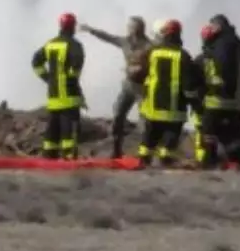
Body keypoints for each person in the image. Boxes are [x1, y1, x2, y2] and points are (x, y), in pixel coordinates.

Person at [129, 19, 205, 168]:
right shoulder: (183, 56)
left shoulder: (152, 52)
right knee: (171, 135)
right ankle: (165, 157)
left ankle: (144, 158)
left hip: (153, 104)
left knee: (150, 135)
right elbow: (189, 84)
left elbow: (139, 74)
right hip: (174, 107)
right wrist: (196, 104)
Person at [78, 16, 151, 158]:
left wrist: (143, 68)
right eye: (129, 26)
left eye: (132, 26)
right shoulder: (125, 42)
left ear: (140, 28)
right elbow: (108, 37)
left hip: (143, 88)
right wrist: (91, 30)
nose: (129, 29)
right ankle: (116, 149)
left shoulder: (149, 46)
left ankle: (145, 153)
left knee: (144, 120)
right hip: (128, 86)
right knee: (118, 113)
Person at [31, 12, 86, 160]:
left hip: (53, 96)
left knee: (52, 131)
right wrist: (78, 91)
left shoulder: (50, 44)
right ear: (73, 27)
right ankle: (68, 158)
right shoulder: (75, 46)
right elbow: (75, 71)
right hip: (69, 97)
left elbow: (36, 61)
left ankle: (49, 157)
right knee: (69, 132)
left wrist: (48, 78)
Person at [201, 14, 240, 168]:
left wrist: (207, 47)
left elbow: (218, 68)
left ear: (218, 26)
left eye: (212, 26)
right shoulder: (238, 42)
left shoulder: (221, 44)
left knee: (209, 129)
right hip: (239, 99)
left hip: (219, 98)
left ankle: (210, 161)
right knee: (235, 131)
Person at [191, 24, 217, 167]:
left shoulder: (199, 60)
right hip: (217, 101)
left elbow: (193, 82)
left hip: (201, 101)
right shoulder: (222, 59)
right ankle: (211, 156)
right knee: (213, 131)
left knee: (201, 130)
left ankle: (202, 158)